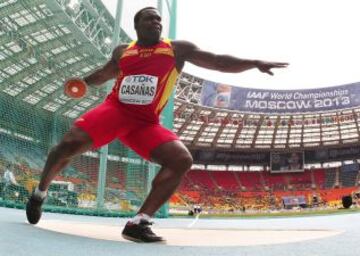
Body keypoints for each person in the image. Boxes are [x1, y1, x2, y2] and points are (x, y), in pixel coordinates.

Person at [26, 6, 288, 242]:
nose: (157, 22)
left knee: (181, 159)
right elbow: (105, 73)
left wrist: (253, 63)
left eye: (159, 20)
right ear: (137, 25)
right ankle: (39, 194)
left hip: (145, 123)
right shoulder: (122, 51)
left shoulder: (177, 49)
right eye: (150, 19)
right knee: (67, 145)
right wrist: (83, 82)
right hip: (115, 110)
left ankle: (139, 223)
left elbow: (219, 61)